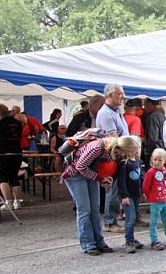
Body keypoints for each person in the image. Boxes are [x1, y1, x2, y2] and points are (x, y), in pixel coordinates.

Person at [61, 135, 142, 255]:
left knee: (95, 209)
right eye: (128, 152)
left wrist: (106, 178)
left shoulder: (115, 152)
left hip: (91, 174)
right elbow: (80, 167)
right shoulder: (97, 147)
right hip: (75, 175)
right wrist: (100, 179)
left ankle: (99, 242)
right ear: (124, 149)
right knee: (84, 210)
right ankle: (88, 244)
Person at [95, 83, 129, 234]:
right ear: (110, 95)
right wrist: (128, 150)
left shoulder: (116, 111)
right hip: (113, 157)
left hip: (122, 155)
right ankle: (110, 222)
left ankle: (131, 216)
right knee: (113, 190)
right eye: (120, 94)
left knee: (123, 188)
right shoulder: (106, 113)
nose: (123, 97)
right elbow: (114, 139)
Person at [0, 104, 24, 210]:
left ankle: (8, 203)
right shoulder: (18, 123)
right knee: (14, 177)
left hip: (3, 153)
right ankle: (18, 202)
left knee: (2, 177)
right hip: (17, 153)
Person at [143, 148, 166, 250]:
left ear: (164, 161)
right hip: (155, 201)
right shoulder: (150, 172)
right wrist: (148, 195)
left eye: (160, 160)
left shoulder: (164, 170)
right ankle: (154, 240)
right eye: (155, 159)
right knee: (154, 221)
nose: (157, 162)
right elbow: (145, 186)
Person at [117, 137, 144, 253]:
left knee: (133, 217)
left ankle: (132, 238)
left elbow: (141, 177)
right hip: (127, 195)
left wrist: (144, 191)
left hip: (136, 193)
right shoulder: (124, 164)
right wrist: (124, 196)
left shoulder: (138, 162)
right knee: (130, 218)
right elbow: (121, 181)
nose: (137, 150)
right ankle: (129, 241)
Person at [142, 98, 166, 164]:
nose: (144, 108)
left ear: (149, 104)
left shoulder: (152, 117)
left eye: (145, 105)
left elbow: (153, 138)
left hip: (154, 152)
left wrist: (147, 152)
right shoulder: (162, 116)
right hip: (161, 149)